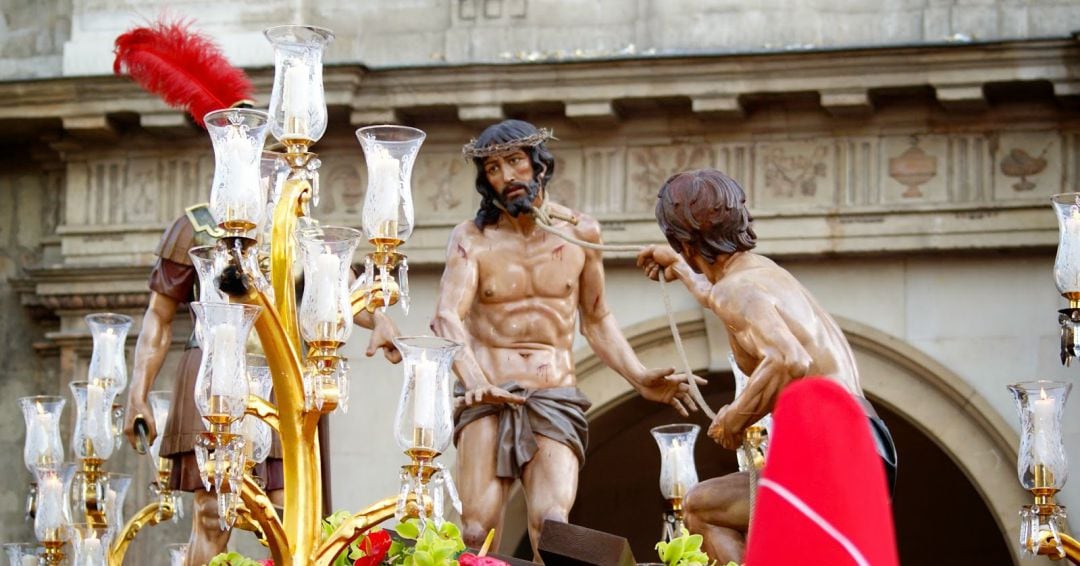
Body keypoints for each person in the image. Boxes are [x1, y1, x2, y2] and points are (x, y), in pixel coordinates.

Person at [432, 119, 701, 558]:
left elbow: (596, 319)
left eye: (515, 161)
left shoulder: (580, 233)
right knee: (476, 530)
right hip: (488, 395)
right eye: (493, 169)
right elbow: (446, 317)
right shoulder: (472, 239)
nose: (506, 177)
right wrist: (474, 376)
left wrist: (638, 375)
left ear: (539, 165)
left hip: (553, 394)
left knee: (552, 526)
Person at [635, 169, 897, 564]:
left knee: (700, 508)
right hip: (864, 440)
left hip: (828, 449)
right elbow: (722, 297)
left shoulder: (734, 290)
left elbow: (789, 359)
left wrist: (734, 418)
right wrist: (680, 267)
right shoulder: (760, 273)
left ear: (686, 241)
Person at [123, 206, 401, 566]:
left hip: (282, 379)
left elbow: (344, 294)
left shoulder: (303, 231)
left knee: (291, 512)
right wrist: (137, 393)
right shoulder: (198, 226)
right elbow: (158, 318)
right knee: (213, 509)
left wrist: (379, 318)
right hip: (213, 375)